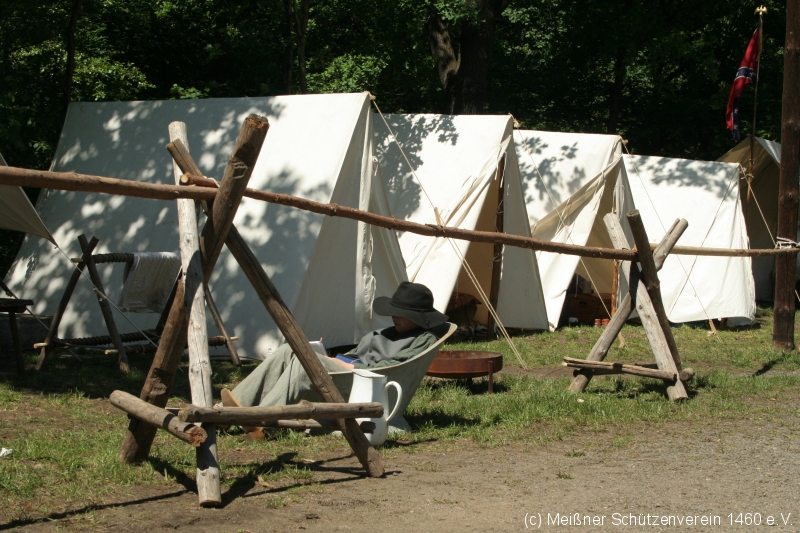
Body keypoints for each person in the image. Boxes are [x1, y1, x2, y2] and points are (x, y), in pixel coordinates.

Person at [221, 282, 449, 419]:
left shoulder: (423, 339)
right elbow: (356, 354)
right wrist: (329, 356)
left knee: (305, 362)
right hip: (350, 373)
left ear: (418, 317)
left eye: (401, 314)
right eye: (394, 312)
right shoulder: (389, 332)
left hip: (368, 385)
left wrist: (346, 366)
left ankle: (263, 418)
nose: (394, 317)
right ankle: (229, 408)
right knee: (289, 350)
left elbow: (393, 368)